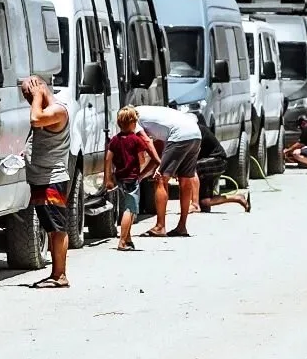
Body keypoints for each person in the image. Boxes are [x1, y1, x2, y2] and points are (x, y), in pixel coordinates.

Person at [20, 74, 74, 286]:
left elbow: (35, 120)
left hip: (53, 177)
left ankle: (59, 275)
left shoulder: (57, 111)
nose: (28, 98)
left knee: (57, 228)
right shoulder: (45, 111)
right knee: (51, 228)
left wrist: (38, 94)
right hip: (42, 177)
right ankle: (56, 273)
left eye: (29, 92)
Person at [135, 104, 204, 237]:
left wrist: (159, 169)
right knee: (185, 179)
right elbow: (159, 152)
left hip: (179, 135)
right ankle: (182, 226)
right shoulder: (150, 114)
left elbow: (147, 144)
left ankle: (160, 227)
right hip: (195, 134)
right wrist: (142, 175)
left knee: (160, 179)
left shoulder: (134, 119)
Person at [102, 106, 158, 250]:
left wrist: (108, 178)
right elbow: (141, 160)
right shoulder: (136, 140)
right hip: (132, 178)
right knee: (130, 210)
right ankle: (122, 241)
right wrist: (143, 168)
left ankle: (128, 238)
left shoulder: (114, 140)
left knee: (127, 206)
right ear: (133, 122)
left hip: (120, 178)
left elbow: (108, 159)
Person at [192, 110, 251, 214]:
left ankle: (194, 204)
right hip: (207, 165)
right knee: (205, 203)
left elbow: (193, 155)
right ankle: (238, 198)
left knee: (192, 168)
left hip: (218, 161)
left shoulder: (198, 132)